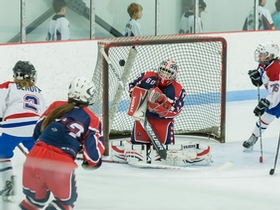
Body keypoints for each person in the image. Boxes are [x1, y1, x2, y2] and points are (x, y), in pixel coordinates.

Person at [19, 76, 105, 210]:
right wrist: (92, 163)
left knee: (34, 202)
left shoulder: (56, 105)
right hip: (59, 164)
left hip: (34, 158)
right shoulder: (92, 119)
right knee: (64, 203)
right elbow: (93, 155)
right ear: (90, 96)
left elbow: (37, 132)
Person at [111, 59, 212, 166]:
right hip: (142, 119)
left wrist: (160, 110)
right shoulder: (147, 76)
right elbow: (132, 86)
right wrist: (136, 95)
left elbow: (177, 110)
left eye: (168, 73)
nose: (164, 74)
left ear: (174, 75)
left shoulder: (178, 90)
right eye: (163, 70)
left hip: (163, 124)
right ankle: (131, 149)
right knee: (138, 150)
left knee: (163, 155)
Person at [0, 60, 45, 202]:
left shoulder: (8, 86)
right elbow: (42, 112)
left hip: (13, 127)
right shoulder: (38, 92)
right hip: (34, 128)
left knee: (2, 156)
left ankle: (9, 187)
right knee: (36, 158)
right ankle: (46, 184)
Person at [243, 42, 280, 150]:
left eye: (262, 54)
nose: (259, 56)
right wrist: (256, 78)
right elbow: (260, 80)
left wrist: (267, 102)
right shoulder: (263, 64)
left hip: (277, 96)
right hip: (276, 96)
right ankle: (254, 137)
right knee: (266, 117)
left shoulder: (275, 69)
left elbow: (276, 93)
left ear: (270, 55)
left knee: (267, 115)